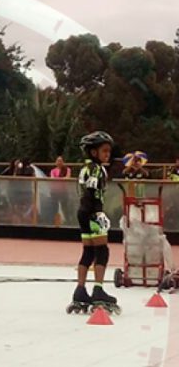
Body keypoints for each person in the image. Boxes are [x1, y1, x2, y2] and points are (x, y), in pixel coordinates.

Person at [66, 131, 120, 314]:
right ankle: (98, 289)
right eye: (104, 151)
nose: (108, 154)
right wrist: (98, 213)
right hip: (93, 212)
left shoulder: (84, 168)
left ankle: (80, 290)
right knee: (102, 251)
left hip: (82, 211)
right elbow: (92, 191)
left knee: (88, 251)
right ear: (93, 152)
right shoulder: (97, 169)